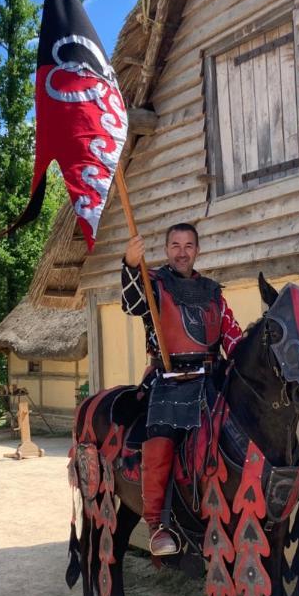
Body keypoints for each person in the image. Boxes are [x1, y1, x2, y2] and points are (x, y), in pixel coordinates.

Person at [121, 222, 243, 556]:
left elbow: (232, 335)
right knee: (161, 435)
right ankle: (157, 524)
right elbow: (132, 304)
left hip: (213, 376)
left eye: (188, 245)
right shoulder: (154, 282)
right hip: (171, 380)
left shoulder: (213, 290)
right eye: (175, 245)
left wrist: (246, 364)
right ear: (166, 250)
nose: (182, 252)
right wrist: (131, 265)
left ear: (197, 250)